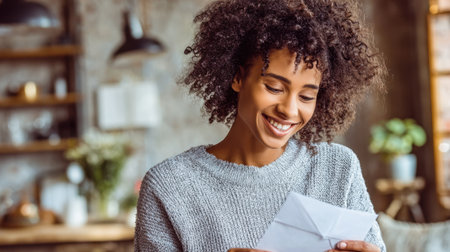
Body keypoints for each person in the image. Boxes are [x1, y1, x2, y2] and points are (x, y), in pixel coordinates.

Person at [135, 0, 387, 251]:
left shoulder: (337, 169)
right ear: (238, 77)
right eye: (274, 88)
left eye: (306, 96)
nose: (289, 109)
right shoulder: (170, 187)